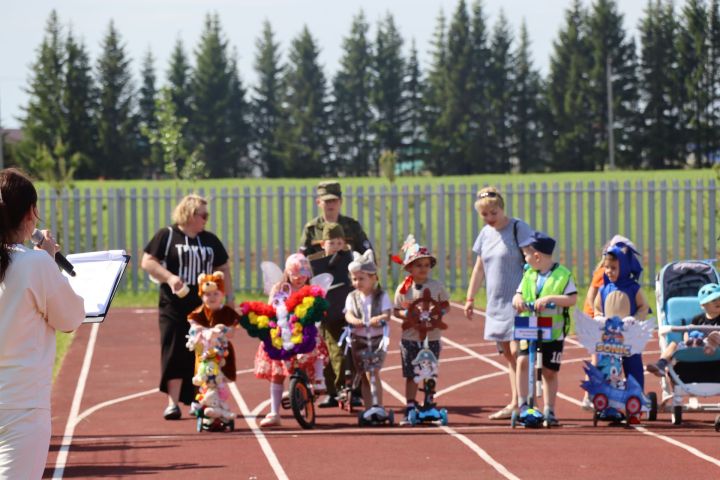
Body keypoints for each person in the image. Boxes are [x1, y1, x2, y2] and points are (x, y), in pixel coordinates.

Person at [0, 168, 85, 478]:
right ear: (30, 214)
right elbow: (71, 317)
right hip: (20, 406)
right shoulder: (35, 264)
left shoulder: (29, 263)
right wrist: (48, 260)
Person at [141, 194, 233, 420]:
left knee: (203, 351)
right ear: (191, 214)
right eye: (203, 215)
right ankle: (172, 402)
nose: (206, 219)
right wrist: (170, 278)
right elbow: (148, 261)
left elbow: (224, 267)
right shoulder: (168, 235)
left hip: (204, 305)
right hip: (173, 303)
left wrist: (229, 299)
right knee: (173, 349)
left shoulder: (210, 240)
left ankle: (198, 398)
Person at [464, 187, 532, 420]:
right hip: (495, 303)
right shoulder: (485, 234)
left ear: (502, 208)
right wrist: (471, 298)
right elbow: (479, 267)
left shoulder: (518, 228)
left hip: (518, 301)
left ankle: (524, 401)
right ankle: (515, 401)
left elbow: (532, 261)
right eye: (485, 215)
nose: (490, 218)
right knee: (508, 355)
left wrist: (524, 291)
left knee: (518, 351)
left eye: (494, 213)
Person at [254, 253, 329, 427]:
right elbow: (271, 308)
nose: (299, 279)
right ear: (287, 273)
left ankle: (318, 379)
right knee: (277, 373)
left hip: (303, 333)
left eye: (303, 275)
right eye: (295, 274)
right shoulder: (279, 289)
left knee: (315, 345)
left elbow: (319, 311)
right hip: (282, 332)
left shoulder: (311, 290)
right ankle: (274, 412)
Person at [512, 231, 578, 426]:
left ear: (537, 256)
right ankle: (524, 404)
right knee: (523, 361)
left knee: (549, 371)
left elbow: (572, 299)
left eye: (526, 254)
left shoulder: (562, 275)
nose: (524, 258)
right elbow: (518, 294)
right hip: (529, 327)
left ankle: (549, 408)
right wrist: (518, 300)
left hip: (553, 332)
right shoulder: (528, 274)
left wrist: (550, 299)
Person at [393, 235, 450, 425]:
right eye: (418, 265)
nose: (423, 268)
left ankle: (429, 402)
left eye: (426, 264)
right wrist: (410, 316)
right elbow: (396, 310)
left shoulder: (436, 286)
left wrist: (436, 313)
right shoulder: (404, 289)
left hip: (432, 336)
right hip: (410, 337)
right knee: (412, 373)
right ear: (409, 268)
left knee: (430, 370)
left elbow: (445, 306)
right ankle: (410, 405)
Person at [592, 242, 649, 421]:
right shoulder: (604, 289)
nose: (609, 271)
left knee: (633, 369)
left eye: (614, 267)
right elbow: (597, 307)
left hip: (629, 337)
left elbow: (643, 307)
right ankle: (608, 406)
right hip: (609, 338)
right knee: (607, 370)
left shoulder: (633, 288)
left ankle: (635, 406)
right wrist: (599, 316)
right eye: (606, 267)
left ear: (623, 267)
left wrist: (635, 319)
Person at [581, 235, 638, 409]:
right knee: (599, 358)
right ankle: (589, 395)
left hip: (612, 322)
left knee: (611, 358)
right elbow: (592, 296)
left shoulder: (623, 274)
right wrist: (599, 316)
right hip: (599, 320)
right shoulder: (604, 273)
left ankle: (609, 394)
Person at [308, 222, 356, 408]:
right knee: (324, 354)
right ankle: (331, 392)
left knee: (343, 352)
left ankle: (348, 389)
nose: (335, 246)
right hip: (324, 316)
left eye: (338, 243)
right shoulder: (314, 263)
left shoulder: (350, 260)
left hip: (345, 314)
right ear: (323, 244)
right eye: (331, 243)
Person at [186, 271, 240, 427]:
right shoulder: (198, 313)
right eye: (207, 294)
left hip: (222, 354)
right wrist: (198, 332)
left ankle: (220, 408)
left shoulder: (227, 312)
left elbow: (232, 333)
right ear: (202, 296)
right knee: (204, 381)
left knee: (220, 381)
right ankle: (205, 408)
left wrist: (223, 330)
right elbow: (193, 328)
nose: (212, 298)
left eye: (216, 294)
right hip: (204, 354)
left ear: (222, 294)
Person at [344, 250, 391, 410]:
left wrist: (379, 319)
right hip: (359, 340)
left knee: (374, 372)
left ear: (373, 278)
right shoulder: (352, 297)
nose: (357, 282)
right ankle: (369, 408)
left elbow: (387, 314)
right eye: (354, 279)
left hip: (377, 340)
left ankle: (379, 405)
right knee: (363, 374)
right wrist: (354, 321)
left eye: (361, 279)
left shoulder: (381, 296)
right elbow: (348, 314)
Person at [646, 283, 720, 376]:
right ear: (703, 305)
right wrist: (687, 339)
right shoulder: (698, 319)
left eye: (719, 299)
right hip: (695, 345)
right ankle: (661, 364)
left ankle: (708, 346)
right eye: (713, 300)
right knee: (673, 344)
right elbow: (689, 331)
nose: (718, 302)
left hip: (715, 348)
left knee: (714, 335)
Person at [299, 181, 372, 257]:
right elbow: (301, 258)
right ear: (318, 202)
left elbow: (368, 255)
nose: (331, 204)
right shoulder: (312, 228)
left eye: (334, 200)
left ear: (341, 201)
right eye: (327, 201)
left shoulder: (352, 226)